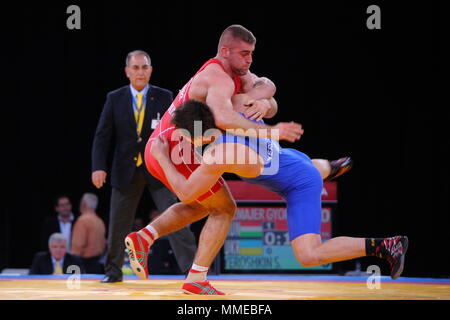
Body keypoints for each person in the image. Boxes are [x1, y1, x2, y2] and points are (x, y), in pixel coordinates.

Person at [124, 25, 350, 295]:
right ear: (225, 51)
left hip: (172, 144)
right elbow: (224, 118)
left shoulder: (234, 73)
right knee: (224, 208)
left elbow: (268, 85)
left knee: (203, 205)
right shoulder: (218, 78)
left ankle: (144, 238)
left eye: (252, 54)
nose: (249, 60)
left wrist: (261, 102)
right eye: (244, 53)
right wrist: (272, 130)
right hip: (177, 148)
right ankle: (195, 279)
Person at [150, 98, 409, 292]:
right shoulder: (232, 110)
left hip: (298, 184)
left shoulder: (219, 155)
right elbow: (267, 91)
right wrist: (265, 102)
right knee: (297, 165)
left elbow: (185, 194)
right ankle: (328, 167)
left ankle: (385, 246)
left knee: (309, 255)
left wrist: (162, 157)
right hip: (291, 159)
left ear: (193, 136)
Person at [91, 50, 197, 283]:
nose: (140, 72)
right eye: (135, 67)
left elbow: (176, 131)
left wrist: (183, 163)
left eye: (144, 67)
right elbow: (102, 136)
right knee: (118, 224)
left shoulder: (164, 96)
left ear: (151, 70)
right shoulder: (114, 98)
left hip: (158, 168)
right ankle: (113, 272)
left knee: (176, 217)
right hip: (124, 170)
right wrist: (98, 166)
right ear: (127, 71)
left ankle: (192, 272)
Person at [71, 193, 106, 274]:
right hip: (97, 264)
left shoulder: (82, 220)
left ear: (83, 204)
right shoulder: (99, 221)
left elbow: (78, 245)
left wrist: (71, 263)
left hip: (83, 265)